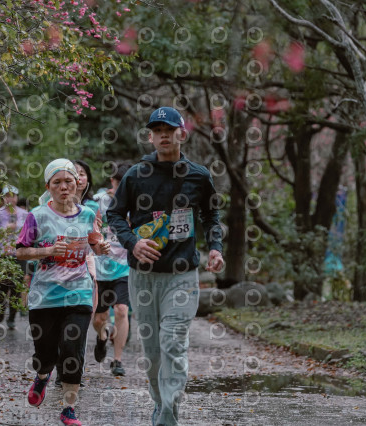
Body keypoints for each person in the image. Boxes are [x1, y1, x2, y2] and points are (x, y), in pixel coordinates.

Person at [107, 107, 224, 426]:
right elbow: (114, 214)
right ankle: (161, 403)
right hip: (143, 276)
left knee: (173, 343)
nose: (163, 135)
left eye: (169, 130)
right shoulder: (136, 175)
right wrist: (133, 242)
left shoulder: (198, 175)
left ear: (181, 134)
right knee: (153, 351)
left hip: (182, 275)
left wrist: (215, 248)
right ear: (150, 137)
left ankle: (168, 415)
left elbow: (211, 215)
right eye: (157, 131)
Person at [16, 159, 109, 426]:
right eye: (57, 182)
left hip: (79, 293)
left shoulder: (87, 215)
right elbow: (20, 251)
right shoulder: (37, 216)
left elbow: (95, 241)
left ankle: (69, 409)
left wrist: (101, 248)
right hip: (44, 297)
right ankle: (42, 375)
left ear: (77, 184)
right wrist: (47, 250)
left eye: (68, 181)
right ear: (48, 187)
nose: (64, 186)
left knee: (72, 349)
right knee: (45, 354)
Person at [53, 159, 100, 388]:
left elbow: (97, 239)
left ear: (86, 180)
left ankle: (73, 372)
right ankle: (59, 369)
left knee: (79, 320)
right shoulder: (50, 204)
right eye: (75, 173)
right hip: (56, 268)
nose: (78, 178)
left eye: (82, 174)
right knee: (59, 321)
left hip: (85, 264)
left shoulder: (92, 208)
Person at [92, 163, 132, 376]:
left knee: (121, 310)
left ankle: (117, 360)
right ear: (112, 182)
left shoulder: (136, 203)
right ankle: (102, 337)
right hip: (100, 267)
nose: (121, 188)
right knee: (99, 319)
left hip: (124, 267)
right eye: (119, 183)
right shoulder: (98, 201)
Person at [0, 183, 29, 329]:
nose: (11, 199)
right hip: (1, 256)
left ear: (17, 197)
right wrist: (5, 229)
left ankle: (12, 318)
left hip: (18, 255)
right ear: (3, 198)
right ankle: (0, 312)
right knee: (0, 287)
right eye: (7, 196)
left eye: (13, 196)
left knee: (16, 287)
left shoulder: (24, 214)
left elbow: (30, 234)